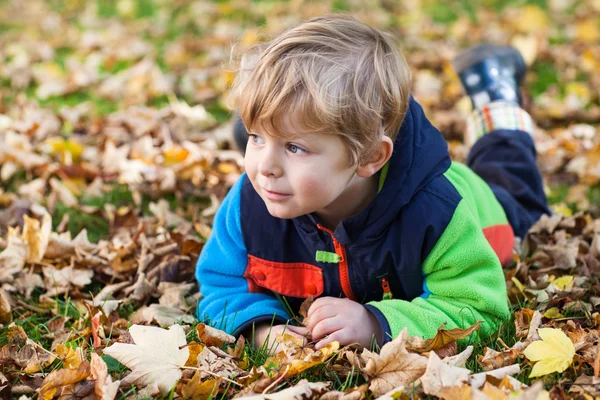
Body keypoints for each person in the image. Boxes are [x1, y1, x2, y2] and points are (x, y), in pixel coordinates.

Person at [195, 14, 549, 351]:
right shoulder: (249, 205)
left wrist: (378, 323)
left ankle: (498, 96)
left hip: (482, 205)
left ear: (370, 157)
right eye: (256, 138)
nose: (265, 168)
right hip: (357, 167)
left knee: (514, 186)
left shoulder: (438, 215)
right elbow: (221, 283)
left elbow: (480, 310)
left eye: (294, 147)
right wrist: (259, 329)